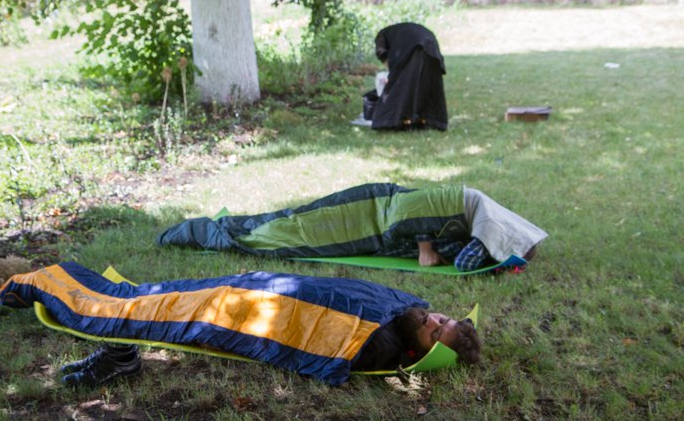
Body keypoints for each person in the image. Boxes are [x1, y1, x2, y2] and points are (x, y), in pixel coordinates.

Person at [0, 262, 481, 386]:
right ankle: (120, 354)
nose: (433, 318)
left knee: (135, 310)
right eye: (442, 318)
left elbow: (318, 340)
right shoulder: (404, 309)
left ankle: (42, 282)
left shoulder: (378, 343)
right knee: (147, 301)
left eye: (435, 330)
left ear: (417, 352)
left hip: (237, 308)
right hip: (257, 287)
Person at [157, 183, 548, 272]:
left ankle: (210, 231)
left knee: (288, 226)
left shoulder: (471, 204)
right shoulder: (476, 215)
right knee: (281, 232)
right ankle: (200, 232)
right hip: (369, 217)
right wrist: (428, 249)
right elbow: (464, 262)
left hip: (377, 213)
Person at [368, 22, 448, 130]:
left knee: (402, 86)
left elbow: (382, 53)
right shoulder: (397, 32)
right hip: (431, 46)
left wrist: (391, 73)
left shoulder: (382, 35)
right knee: (427, 83)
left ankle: (389, 122)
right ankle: (432, 120)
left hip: (414, 45)